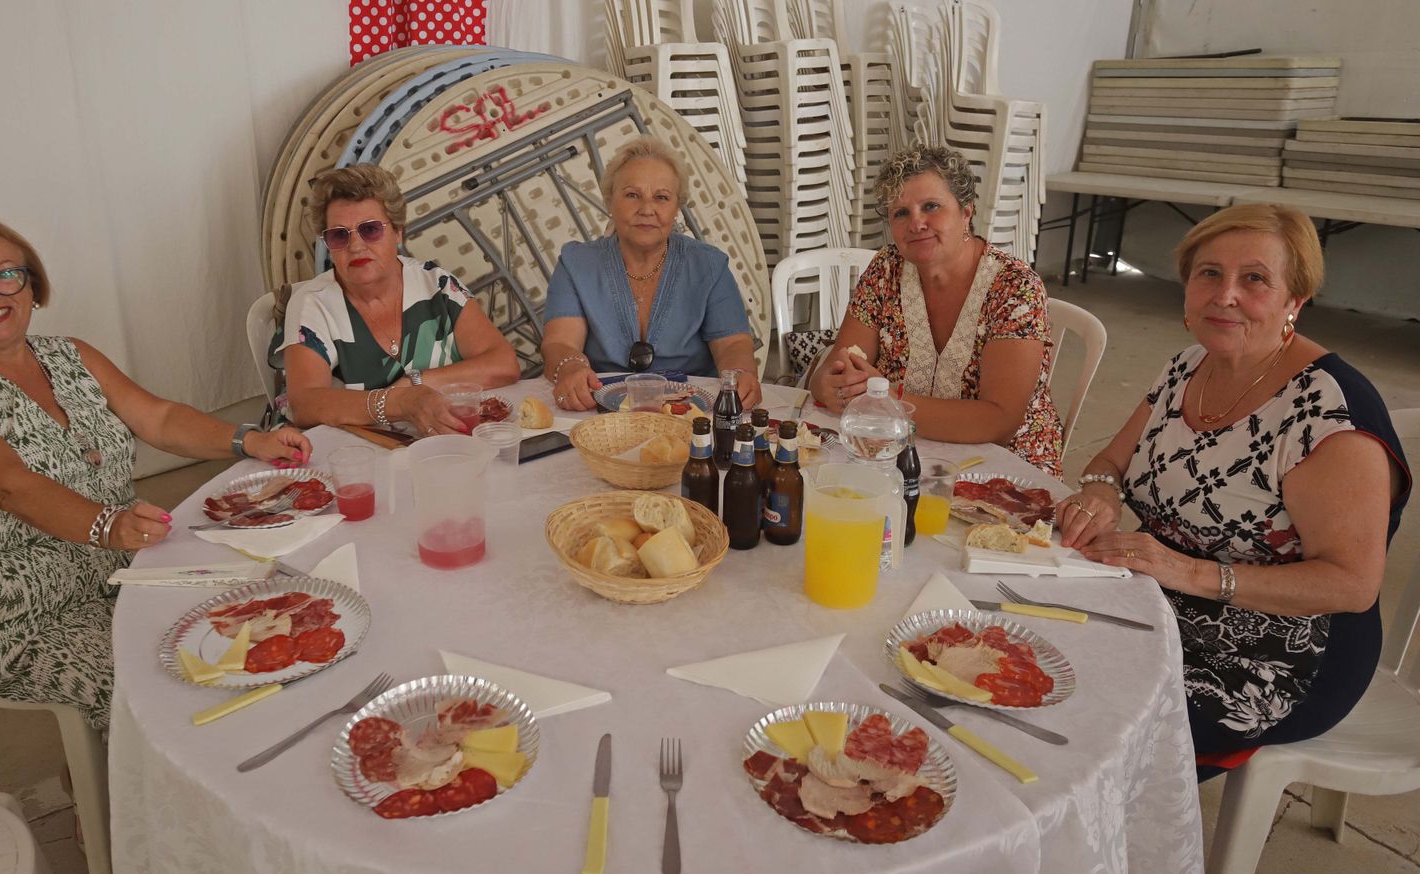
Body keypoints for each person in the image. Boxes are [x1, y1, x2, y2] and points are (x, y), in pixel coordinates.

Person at [0, 215, 312, 730]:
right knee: (185, 687)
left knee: (270, 623)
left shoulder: (69, 355)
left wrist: (248, 439)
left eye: (7, 274)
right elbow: (9, 486)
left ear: (32, 286)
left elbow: (159, 418)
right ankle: (125, 798)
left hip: (126, 574)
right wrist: (109, 526)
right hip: (25, 620)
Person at [1057, 204, 1410, 776]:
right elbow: (1111, 462)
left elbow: (1353, 585)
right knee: (1011, 649)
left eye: (1255, 278)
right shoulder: (1189, 364)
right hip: (1164, 598)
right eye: (1209, 274)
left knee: (1080, 724)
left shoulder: (1326, 413)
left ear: (1295, 299)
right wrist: (1100, 493)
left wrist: (1186, 572)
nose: (1225, 296)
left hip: (1284, 648)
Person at [807, 145, 1064, 475]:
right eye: (900, 213)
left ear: (966, 212)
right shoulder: (887, 268)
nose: (916, 224)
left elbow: (999, 420)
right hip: (900, 452)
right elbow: (837, 368)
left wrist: (887, 400)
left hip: (1005, 469)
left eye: (931, 207)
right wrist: (828, 386)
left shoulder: (1014, 288)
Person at [278, 164, 520, 435]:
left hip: (448, 442)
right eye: (339, 235)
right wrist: (398, 403)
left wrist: (413, 384)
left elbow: (504, 363)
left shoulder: (435, 284)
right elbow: (305, 404)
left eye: (370, 230)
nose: (356, 246)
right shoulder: (312, 303)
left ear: (398, 232)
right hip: (360, 452)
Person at [539, 136, 761, 412]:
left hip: (689, 412)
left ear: (676, 208)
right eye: (632, 195)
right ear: (610, 202)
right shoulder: (576, 263)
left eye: (661, 197)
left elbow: (733, 344)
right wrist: (570, 367)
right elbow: (560, 342)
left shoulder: (709, 265)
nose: (647, 209)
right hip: (599, 411)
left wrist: (739, 373)